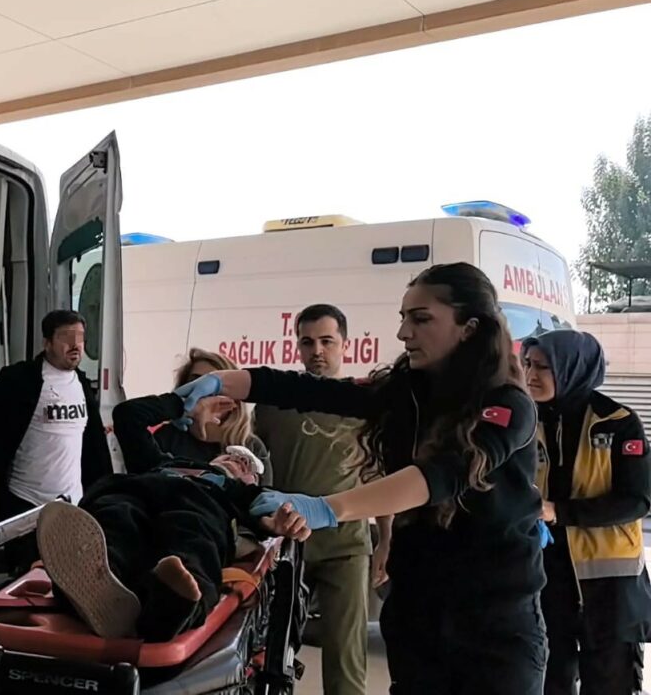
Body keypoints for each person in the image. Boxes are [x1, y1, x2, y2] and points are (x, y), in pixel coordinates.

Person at [182, 263, 547, 695]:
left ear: (469, 328)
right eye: (403, 318)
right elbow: (313, 391)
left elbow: (441, 476)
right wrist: (223, 381)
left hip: (495, 627)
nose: (404, 333)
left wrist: (327, 508)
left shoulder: (508, 405)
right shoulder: (408, 393)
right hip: (418, 617)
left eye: (421, 319)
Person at [252, 304, 389, 695]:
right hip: (288, 544)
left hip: (346, 546)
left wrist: (387, 540)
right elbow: (253, 467)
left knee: (346, 662)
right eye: (308, 342)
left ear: (345, 344)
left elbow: (379, 477)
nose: (317, 351)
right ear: (297, 346)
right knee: (270, 656)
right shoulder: (274, 404)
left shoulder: (364, 405)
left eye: (327, 341)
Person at [35, 450, 309, 642]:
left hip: (201, 503)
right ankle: (100, 584)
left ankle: (172, 605)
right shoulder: (167, 463)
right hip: (135, 491)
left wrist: (274, 523)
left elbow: (266, 515)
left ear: (251, 480)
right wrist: (186, 404)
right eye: (230, 455)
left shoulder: (239, 492)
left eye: (246, 465)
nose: (237, 460)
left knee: (193, 536)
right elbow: (130, 416)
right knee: (115, 518)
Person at [523, 330, 651, 695]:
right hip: (545, 577)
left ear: (571, 368)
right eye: (527, 364)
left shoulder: (617, 421)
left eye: (542, 367)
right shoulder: (524, 420)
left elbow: (637, 500)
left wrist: (558, 511)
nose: (530, 374)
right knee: (549, 680)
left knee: (611, 683)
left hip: (609, 587)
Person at [0, 310, 111, 522]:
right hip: (25, 501)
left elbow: (91, 441)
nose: (75, 345)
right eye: (66, 338)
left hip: (72, 503)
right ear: (47, 343)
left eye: (79, 338)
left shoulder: (82, 385)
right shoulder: (20, 379)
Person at [113, 348, 272, 482]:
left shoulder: (251, 447)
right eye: (195, 384)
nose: (203, 394)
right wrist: (178, 404)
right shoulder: (167, 439)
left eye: (213, 388)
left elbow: (267, 501)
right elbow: (127, 415)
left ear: (234, 400)